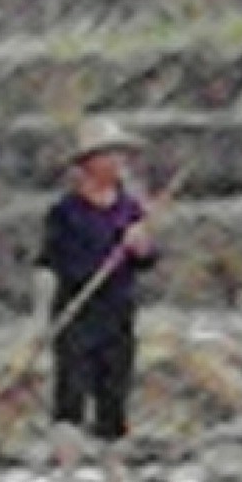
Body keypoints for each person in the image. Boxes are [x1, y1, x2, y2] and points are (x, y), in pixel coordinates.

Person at [36, 118, 157, 443]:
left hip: (117, 313)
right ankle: (68, 475)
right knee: (71, 392)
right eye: (110, 155)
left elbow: (147, 260)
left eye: (121, 156)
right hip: (76, 313)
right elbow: (55, 261)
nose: (119, 163)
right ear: (90, 164)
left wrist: (140, 247)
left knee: (113, 393)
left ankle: (114, 475)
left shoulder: (130, 209)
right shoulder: (65, 213)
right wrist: (105, 259)